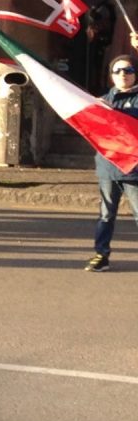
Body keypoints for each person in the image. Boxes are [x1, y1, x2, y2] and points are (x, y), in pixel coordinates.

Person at [85, 47, 138, 272]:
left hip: (134, 169)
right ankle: (101, 254)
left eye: (128, 70)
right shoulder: (103, 100)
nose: (123, 74)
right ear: (111, 75)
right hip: (108, 168)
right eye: (118, 71)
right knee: (106, 214)